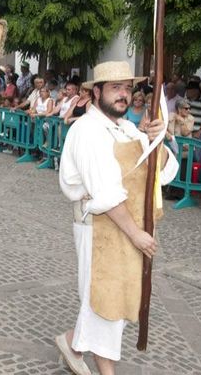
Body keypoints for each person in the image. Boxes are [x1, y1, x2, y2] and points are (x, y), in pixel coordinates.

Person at [56, 61, 178, 375]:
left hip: (125, 224)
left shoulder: (126, 129)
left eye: (127, 88)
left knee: (115, 296)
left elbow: (161, 173)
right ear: (96, 92)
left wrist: (156, 139)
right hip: (98, 226)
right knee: (103, 299)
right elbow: (105, 192)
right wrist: (136, 234)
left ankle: (71, 342)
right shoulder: (87, 131)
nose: (124, 95)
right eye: (115, 88)